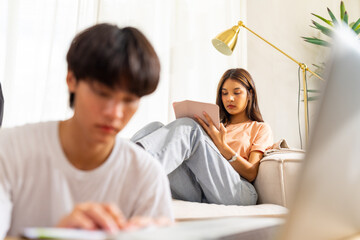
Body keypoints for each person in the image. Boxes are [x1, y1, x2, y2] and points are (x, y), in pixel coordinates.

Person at [0, 23, 173, 238]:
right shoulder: (9, 149)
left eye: (129, 100)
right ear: (71, 80)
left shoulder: (147, 175)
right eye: (102, 93)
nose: (115, 113)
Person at [131, 68, 273, 206]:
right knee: (154, 127)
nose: (230, 98)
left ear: (250, 94)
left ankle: (132, 177)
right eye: (224, 93)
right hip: (201, 189)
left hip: (238, 189)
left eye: (237, 93)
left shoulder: (260, 128)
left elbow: (251, 172)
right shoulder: (215, 126)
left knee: (190, 128)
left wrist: (222, 147)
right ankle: (123, 160)